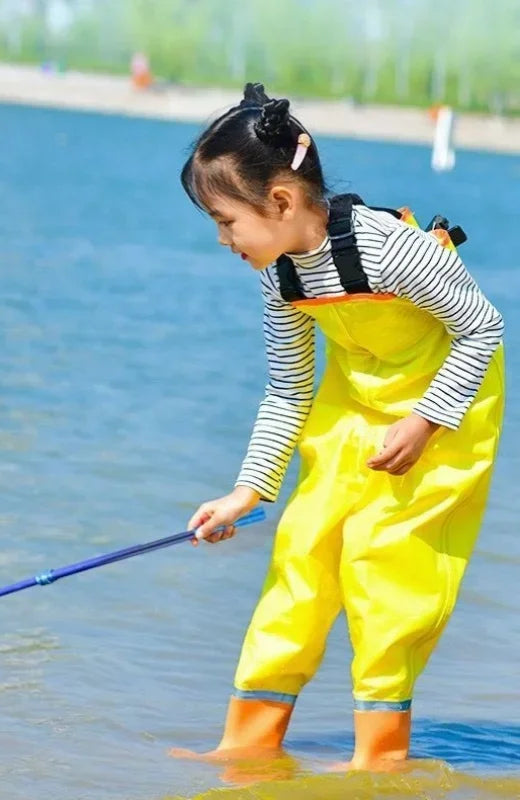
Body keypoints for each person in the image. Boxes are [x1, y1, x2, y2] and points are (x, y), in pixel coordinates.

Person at [178, 82, 504, 769]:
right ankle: (246, 747)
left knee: (383, 567)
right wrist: (247, 492)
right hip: (353, 402)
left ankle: (379, 757)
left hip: (445, 408)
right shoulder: (281, 275)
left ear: (280, 201)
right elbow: (289, 389)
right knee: (301, 554)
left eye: (226, 221)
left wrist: (426, 421)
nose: (222, 239)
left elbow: (482, 327)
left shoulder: (391, 250)